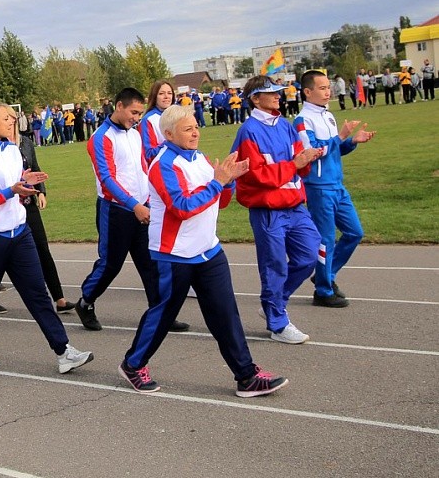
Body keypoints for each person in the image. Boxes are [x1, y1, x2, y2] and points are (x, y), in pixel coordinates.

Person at [119, 105, 288, 397]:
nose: (195, 132)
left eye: (196, 126)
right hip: (173, 254)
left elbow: (217, 202)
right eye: (188, 129)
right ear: (169, 134)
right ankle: (133, 364)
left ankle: (246, 376)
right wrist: (218, 182)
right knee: (163, 314)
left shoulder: (201, 159)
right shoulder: (163, 165)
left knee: (225, 314)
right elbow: (182, 208)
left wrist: (227, 183)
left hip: (208, 250)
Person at [0, 103, 93, 374]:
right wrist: (11, 190)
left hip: (20, 232)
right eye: (6, 117)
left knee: (38, 295)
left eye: (12, 116)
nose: (12, 121)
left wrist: (25, 182)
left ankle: (63, 350)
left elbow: (15, 187)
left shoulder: (12, 149)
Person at [78, 87, 189, 333]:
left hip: (142, 206)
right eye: (133, 112)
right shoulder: (101, 137)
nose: (137, 118)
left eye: (140, 113)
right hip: (115, 210)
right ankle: (86, 301)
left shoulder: (135, 134)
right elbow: (106, 179)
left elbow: (142, 168)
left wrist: (149, 199)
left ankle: (161, 313)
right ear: (119, 106)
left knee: (150, 262)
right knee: (110, 264)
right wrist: (133, 205)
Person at [231, 76, 322, 344]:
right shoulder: (248, 131)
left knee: (308, 255)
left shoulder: (284, 125)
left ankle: (274, 302)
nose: (277, 96)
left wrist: (306, 159)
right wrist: (295, 164)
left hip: (295, 205)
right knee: (274, 266)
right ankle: (278, 323)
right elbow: (256, 175)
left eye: (278, 92)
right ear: (255, 99)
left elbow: (298, 160)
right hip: (268, 210)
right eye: (270, 93)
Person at [294, 70, 375, 307]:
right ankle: (322, 290)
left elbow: (334, 150)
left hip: (337, 185)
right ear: (307, 92)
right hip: (318, 188)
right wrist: (340, 136)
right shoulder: (302, 120)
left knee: (354, 233)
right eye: (321, 88)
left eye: (328, 86)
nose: (327, 91)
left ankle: (325, 275)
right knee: (326, 239)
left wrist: (351, 142)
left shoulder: (328, 115)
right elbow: (312, 152)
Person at [13, 114, 74, 312]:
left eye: (11, 120)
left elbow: (36, 169)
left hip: (29, 204)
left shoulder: (26, 142)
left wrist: (41, 191)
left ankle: (59, 299)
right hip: (9, 207)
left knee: (42, 249)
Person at [139, 80, 175, 162]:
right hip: (163, 167)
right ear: (154, 96)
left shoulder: (178, 115)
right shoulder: (148, 120)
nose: (166, 96)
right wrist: (172, 142)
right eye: (161, 93)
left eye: (169, 93)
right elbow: (148, 154)